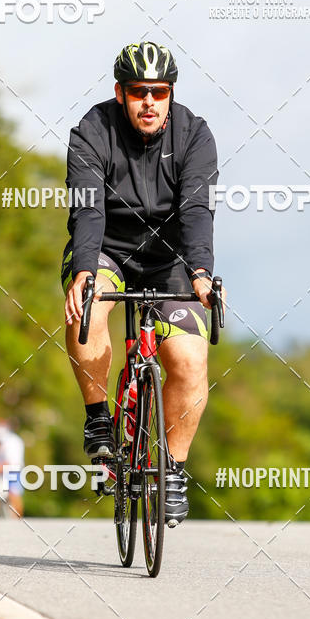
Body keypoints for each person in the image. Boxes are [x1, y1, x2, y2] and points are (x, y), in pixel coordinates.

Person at [62, 41, 223, 526]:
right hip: (109, 248)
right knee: (88, 310)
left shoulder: (195, 136)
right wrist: (84, 270)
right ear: (121, 93)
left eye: (159, 91)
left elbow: (197, 209)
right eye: (138, 92)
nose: (149, 101)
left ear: (170, 93)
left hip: (171, 258)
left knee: (190, 360)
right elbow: (87, 209)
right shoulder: (92, 131)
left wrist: (199, 272)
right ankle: (97, 418)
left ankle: (171, 468)